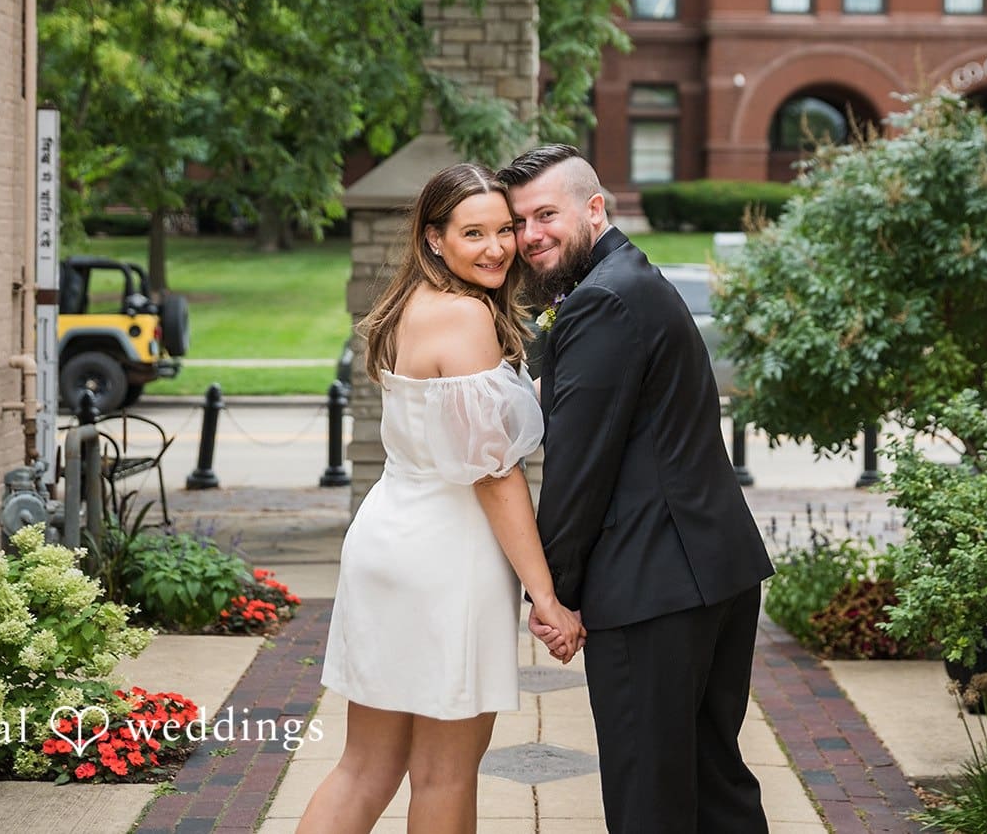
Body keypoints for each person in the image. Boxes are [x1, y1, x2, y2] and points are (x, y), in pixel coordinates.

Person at [498, 145, 776, 834]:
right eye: (518, 221)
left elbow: (578, 466)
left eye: (544, 214)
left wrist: (553, 593)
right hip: (715, 569)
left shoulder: (602, 301)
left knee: (648, 796)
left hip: (653, 584)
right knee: (715, 781)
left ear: (594, 208)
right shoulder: (629, 279)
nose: (529, 234)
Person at [300, 163, 584, 834]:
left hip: (390, 541)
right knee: (444, 773)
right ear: (433, 238)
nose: (496, 247)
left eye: (504, 230)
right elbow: (493, 474)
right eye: (472, 232)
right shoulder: (464, 317)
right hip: (446, 561)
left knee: (364, 767)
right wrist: (544, 594)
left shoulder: (412, 307)